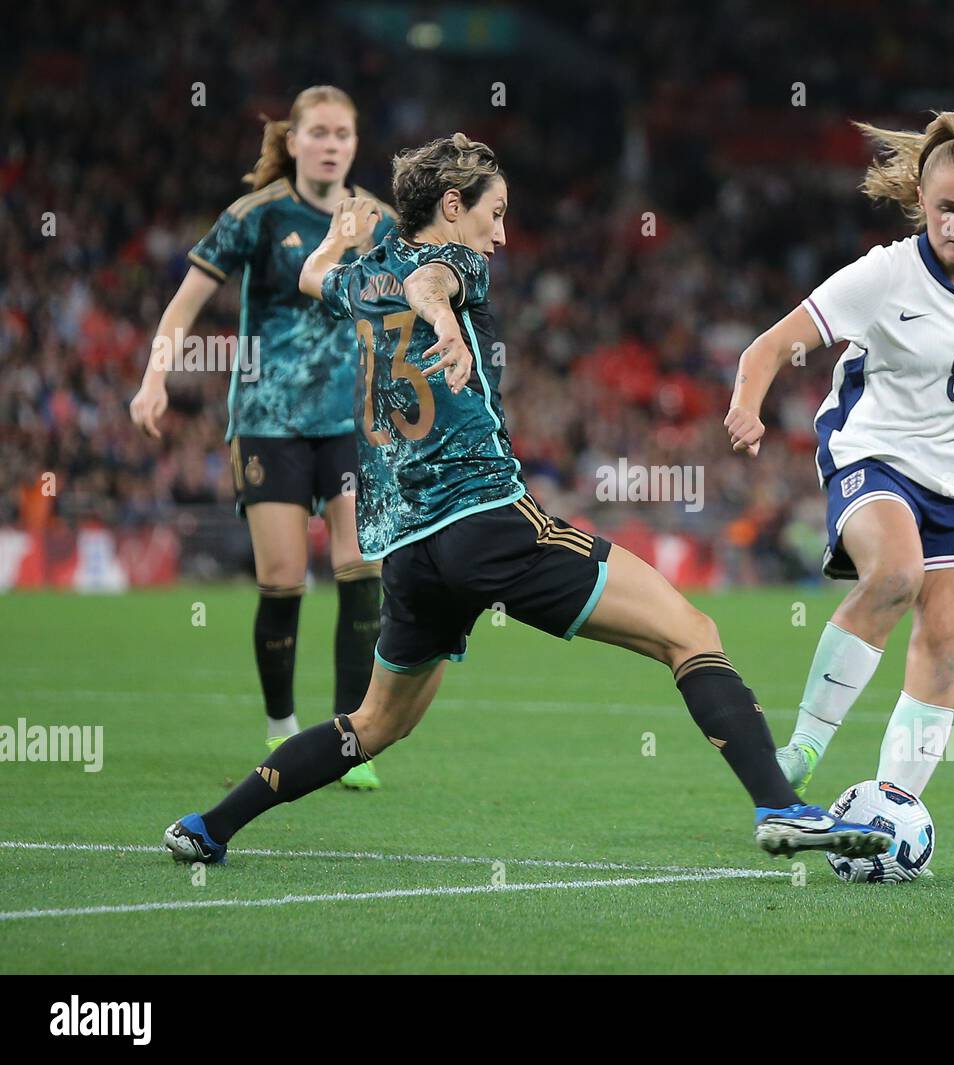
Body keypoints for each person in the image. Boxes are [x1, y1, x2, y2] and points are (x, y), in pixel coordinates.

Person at [163, 133, 889, 864]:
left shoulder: (366, 276)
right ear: (452, 206)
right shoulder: (454, 263)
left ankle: (208, 825)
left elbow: (315, 276)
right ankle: (781, 806)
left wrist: (340, 240)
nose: (502, 234)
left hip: (411, 552)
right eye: (495, 213)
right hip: (487, 523)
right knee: (690, 631)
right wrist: (445, 323)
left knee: (373, 723)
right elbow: (433, 285)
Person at [725, 112, 954, 805]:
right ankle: (803, 751)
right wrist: (747, 405)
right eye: (947, 208)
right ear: (922, 202)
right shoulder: (883, 275)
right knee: (897, 573)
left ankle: (893, 808)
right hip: (873, 453)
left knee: (947, 642)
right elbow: (769, 346)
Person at [130, 86, 394, 789]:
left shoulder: (381, 220)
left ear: (355, 144)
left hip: (351, 424)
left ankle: (348, 736)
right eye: (319, 132)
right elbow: (183, 306)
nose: (332, 143)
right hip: (267, 423)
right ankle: (281, 726)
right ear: (296, 140)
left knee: (361, 567)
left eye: (344, 133)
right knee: (282, 579)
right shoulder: (256, 214)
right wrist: (155, 378)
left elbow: (410, 305)